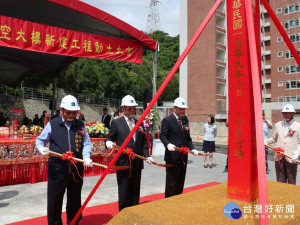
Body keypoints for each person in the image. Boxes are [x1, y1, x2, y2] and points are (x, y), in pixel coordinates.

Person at [36, 95, 93, 225]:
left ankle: (73, 222)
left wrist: (86, 156)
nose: (71, 115)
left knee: (74, 198)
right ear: (61, 110)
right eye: (68, 112)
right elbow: (40, 140)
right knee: (55, 199)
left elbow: (87, 143)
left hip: (76, 168)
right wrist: (41, 148)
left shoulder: (80, 125)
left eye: (74, 112)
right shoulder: (53, 124)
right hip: (57, 168)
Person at [105, 95, 152, 211]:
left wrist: (147, 156)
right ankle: (123, 214)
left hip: (137, 162)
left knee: (135, 191)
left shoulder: (139, 123)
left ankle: (134, 213)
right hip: (123, 162)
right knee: (124, 190)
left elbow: (144, 142)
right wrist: (109, 143)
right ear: (123, 109)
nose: (132, 111)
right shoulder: (117, 123)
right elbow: (109, 138)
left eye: (134, 108)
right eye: (129, 109)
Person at [160, 97, 199, 198]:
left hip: (183, 157)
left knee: (180, 181)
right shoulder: (167, 120)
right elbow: (163, 136)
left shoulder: (185, 119)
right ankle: (169, 203)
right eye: (181, 109)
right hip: (172, 157)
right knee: (171, 183)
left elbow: (187, 137)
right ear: (175, 108)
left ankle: (178, 200)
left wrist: (192, 148)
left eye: (184, 109)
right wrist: (168, 144)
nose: (183, 111)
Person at [265, 104, 300, 185]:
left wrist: (296, 154)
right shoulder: (278, 124)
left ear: (293, 113)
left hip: (291, 157)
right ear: (282, 113)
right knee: (280, 180)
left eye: (289, 113)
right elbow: (274, 138)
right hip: (279, 157)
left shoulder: (298, 126)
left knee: (291, 181)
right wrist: (266, 141)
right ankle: (281, 197)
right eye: (285, 113)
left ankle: (291, 197)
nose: (287, 115)